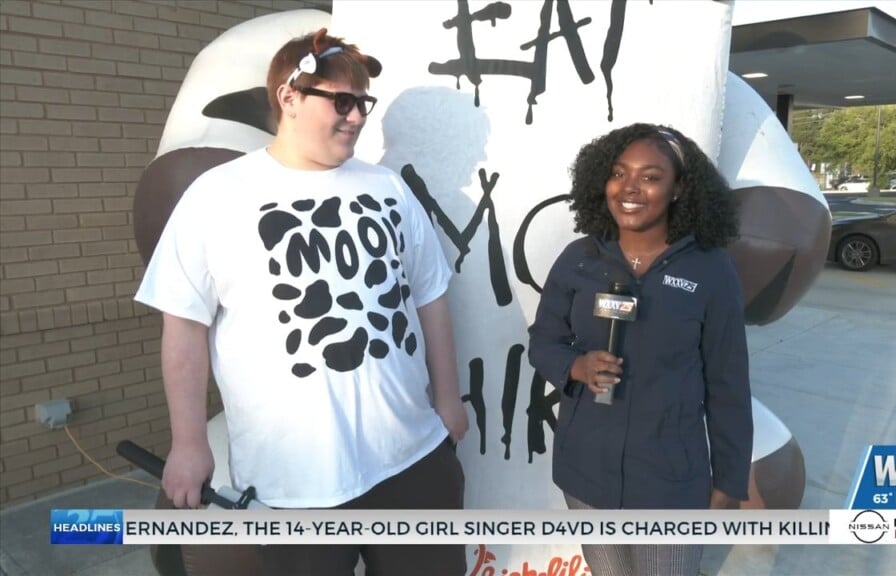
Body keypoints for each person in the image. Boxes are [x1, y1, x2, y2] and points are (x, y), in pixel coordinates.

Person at [135, 28, 468, 576]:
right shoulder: (216, 196)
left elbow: (430, 296)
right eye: (341, 101)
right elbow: (184, 329)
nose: (358, 116)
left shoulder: (389, 189)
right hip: (292, 484)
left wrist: (449, 400)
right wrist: (189, 443)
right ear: (289, 97)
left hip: (414, 461)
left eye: (364, 103)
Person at [528, 123, 753, 576]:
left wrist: (729, 479)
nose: (630, 188)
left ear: (678, 189)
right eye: (618, 173)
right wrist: (577, 367)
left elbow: (729, 381)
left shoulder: (711, 269)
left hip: (669, 480)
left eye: (650, 176)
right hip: (586, 470)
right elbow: (542, 342)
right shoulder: (579, 258)